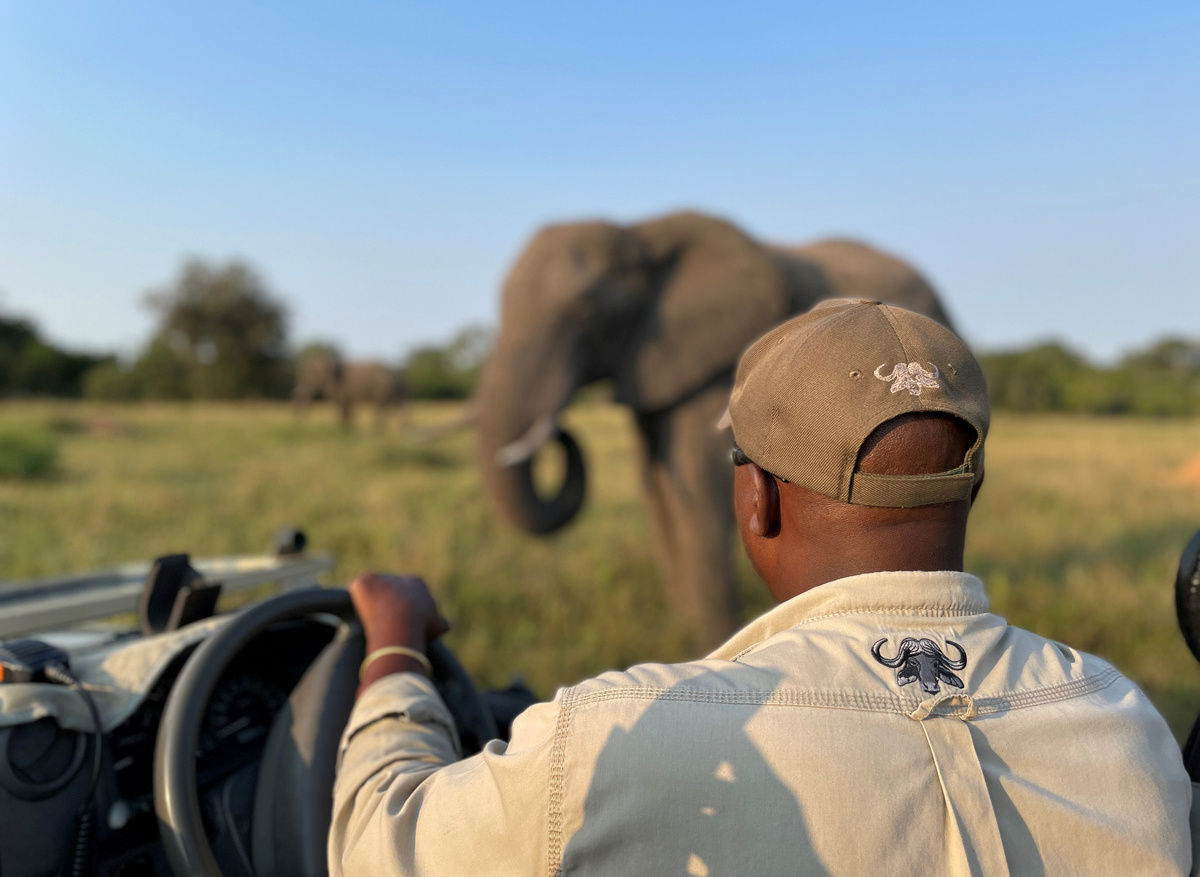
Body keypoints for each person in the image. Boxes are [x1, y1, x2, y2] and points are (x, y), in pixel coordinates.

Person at [329, 300, 1193, 876]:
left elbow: (376, 842)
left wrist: (396, 648)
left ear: (756, 496)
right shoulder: (1127, 722)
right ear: (972, 484)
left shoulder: (612, 739)